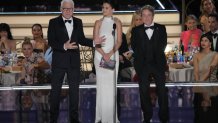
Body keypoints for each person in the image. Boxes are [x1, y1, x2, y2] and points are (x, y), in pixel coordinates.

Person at [48, 0, 104, 122]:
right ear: (61, 9)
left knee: (74, 93)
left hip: (74, 62)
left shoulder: (78, 22)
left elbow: (82, 39)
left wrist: (94, 42)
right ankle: (53, 119)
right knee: (55, 92)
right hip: (59, 62)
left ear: (74, 10)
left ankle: (74, 120)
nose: (68, 11)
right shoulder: (53, 22)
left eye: (70, 9)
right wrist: (64, 46)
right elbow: (51, 41)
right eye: (65, 9)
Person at [131, 5, 169, 123]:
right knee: (143, 90)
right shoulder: (136, 30)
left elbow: (163, 45)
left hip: (158, 64)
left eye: (149, 15)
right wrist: (140, 63)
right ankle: (147, 115)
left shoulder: (161, 28)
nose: (146, 17)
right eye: (144, 15)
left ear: (153, 16)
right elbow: (134, 46)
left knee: (162, 91)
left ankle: (163, 117)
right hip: (143, 65)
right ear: (141, 16)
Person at [93, 0, 122, 123]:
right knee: (101, 86)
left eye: (106, 7)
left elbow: (119, 41)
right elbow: (95, 42)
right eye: (103, 7)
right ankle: (100, 116)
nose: (104, 10)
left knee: (111, 87)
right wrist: (104, 54)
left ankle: (111, 117)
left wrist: (110, 54)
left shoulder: (117, 22)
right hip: (100, 56)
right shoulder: (98, 22)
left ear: (112, 9)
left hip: (112, 56)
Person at [193, 33, 218, 123]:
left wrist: (200, 83)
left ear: (210, 43)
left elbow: (209, 71)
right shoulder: (196, 55)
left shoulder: (216, 55)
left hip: (212, 85)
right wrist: (197, 83)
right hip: (199, 84)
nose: (203, 42)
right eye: (202, 40)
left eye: (206, 40)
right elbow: (195, 71)